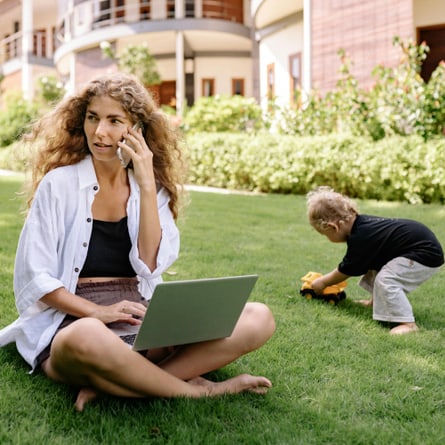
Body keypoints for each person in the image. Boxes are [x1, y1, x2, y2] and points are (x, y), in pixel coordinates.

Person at [0, 72, 275, 411]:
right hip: (73, 319)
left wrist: (145, 184)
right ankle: (194, 390)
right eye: (93, 118)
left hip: (137, 314)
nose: (100, 132)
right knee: (89, 337)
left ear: (137, 130)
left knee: (258, 317)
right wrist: (98, 312)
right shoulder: (59, 184)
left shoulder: (151, 190)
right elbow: (36, 278)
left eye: (114, 121)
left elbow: (149, 262)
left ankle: (124, 382)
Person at [306, 186, 443, 335]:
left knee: (387, 279)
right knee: (375, 262)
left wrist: (323, 282)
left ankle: (408, 324)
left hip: (424, 253)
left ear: (333, 227)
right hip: (416, 247)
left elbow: (348, 269)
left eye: (325, 235)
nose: (328, 239)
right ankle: (375, 303)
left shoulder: (361, 237)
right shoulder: (362, 225)